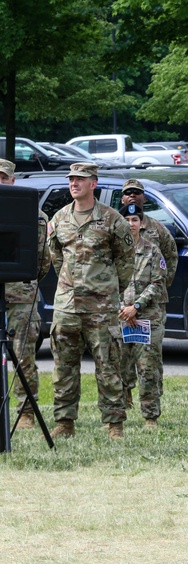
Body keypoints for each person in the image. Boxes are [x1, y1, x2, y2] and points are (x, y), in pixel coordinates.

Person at [48, 163, 134, 439]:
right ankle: (64, 422)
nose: (74, 183)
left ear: (93, 184)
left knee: (108, 365)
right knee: (64, 366)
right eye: (72, 179)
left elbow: (126, 260)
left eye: (80, 180)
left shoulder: (111, 219)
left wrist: (108, 288)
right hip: (67, 305)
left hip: (101, 306)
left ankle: (114, 423)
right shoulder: (60, 218)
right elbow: (56, 255)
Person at [0, 159, 51, 430]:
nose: (0, 182)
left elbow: (42, 260)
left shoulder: (34, 215)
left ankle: (26, 413)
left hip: (22, 295)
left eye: (3, 178)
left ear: (13, 180)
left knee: (23, 356)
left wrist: (24, 284)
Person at [120, 179, 178, 410]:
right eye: (128, 193)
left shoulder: (156, 231)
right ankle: (123, 400)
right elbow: (106, 278)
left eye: (137, 193)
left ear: (143, 198)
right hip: (121, 311)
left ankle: (150, 407)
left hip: (149, 307)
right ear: (122, 198)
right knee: (122, 361)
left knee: (149, 362)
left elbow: (170, 258)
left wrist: (160, 289)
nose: (133, 196)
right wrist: (123, 308)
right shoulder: (113, 237)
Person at [117, 203, 168, 428]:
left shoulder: (152, 250)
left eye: (135, 220)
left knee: (148, 368)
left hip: (146, 317)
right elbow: (108, 281)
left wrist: (135, 307)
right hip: (120, 317)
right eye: (127, 221)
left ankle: (150, 416)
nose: (131, 224)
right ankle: (117, 414)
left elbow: (158, 283)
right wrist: (123, 309)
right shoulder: (114, 251)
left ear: (141, 223)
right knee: (118, 367)